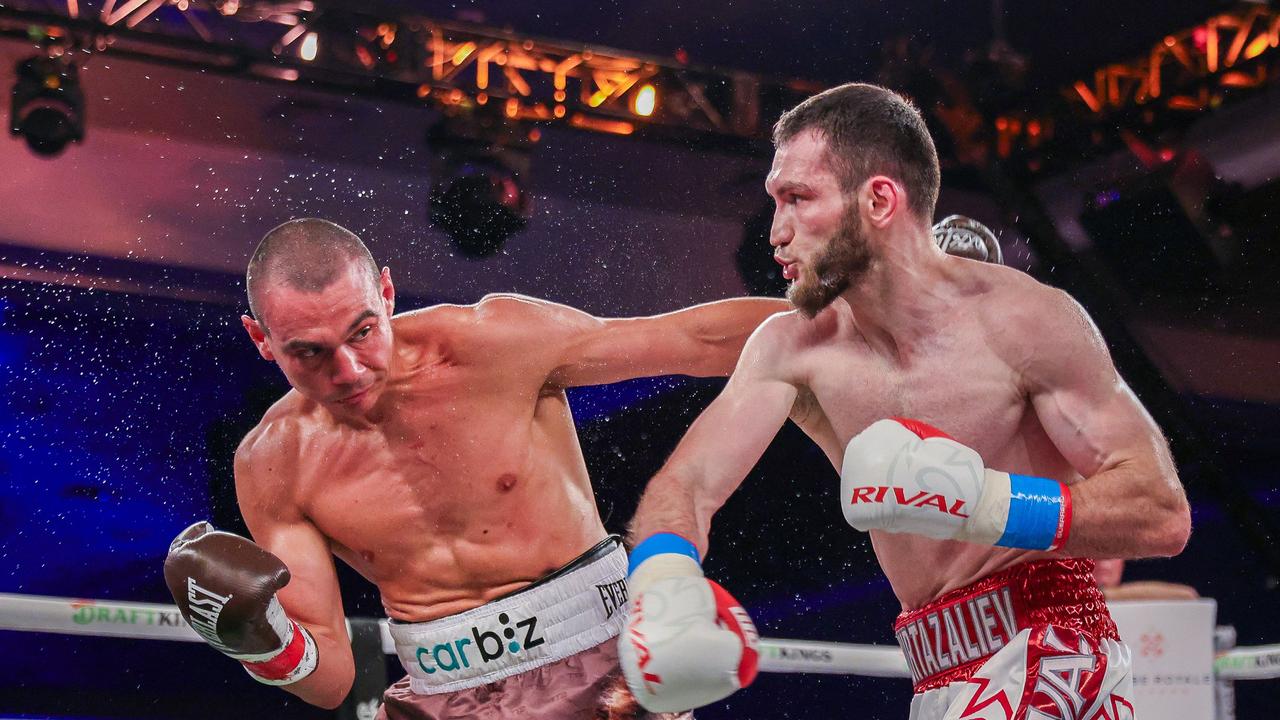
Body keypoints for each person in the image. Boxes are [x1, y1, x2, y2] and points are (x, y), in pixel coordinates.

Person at [620, 83, 1192, 719]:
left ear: (879, 199)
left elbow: (1160, 511)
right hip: (937, 667)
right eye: (774, 202)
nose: (776, 233)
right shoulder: (793, 347)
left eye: (798, 199)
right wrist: (663, 580)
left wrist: (986, 504)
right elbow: (687, 484)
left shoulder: (1024, 322)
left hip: (1052, 643)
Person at [162, 218, 790, 720]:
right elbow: (332, 680)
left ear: (386, 293)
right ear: (261, 339)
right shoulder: (274, 462)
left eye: (361, 332)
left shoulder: (493, 343)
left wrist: (852, 323)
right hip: (440, 695)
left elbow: (693, 341)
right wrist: (262, 642)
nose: (348, 370)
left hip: (599, 666)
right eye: (309, 352)